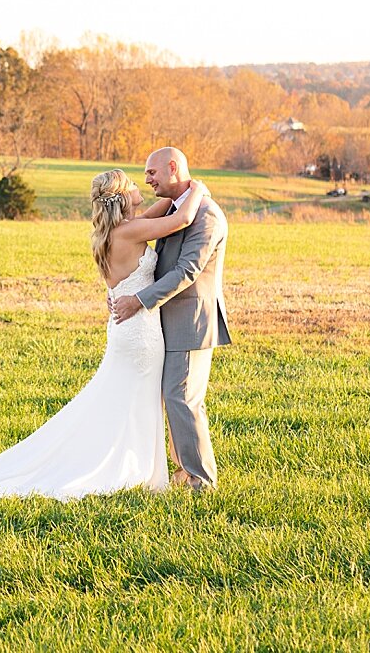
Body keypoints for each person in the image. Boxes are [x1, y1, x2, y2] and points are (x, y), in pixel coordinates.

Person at [0, 167, 210, 500]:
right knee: (133, 399)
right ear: (122, 197)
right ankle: (123, 467)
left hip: (128, 330)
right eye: (134, 183)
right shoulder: (129, 232)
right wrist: (197, 189)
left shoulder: (120, 228)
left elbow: (163, 208)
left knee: (124, 398)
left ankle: (131, 463)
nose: (142, 185)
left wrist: (180, 189)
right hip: (139, 332)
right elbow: (179, 219)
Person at [110, 146, 230, 491]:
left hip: (190, 322)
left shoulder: (206, 215)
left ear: (173, 167)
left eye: (151, 173)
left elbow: (187, 270)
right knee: (172, 397)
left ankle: (201, 480)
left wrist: (139, 300)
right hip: (166, 321)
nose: (147, 179)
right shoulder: (178, 207)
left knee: (182, 398)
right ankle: (182, 471)